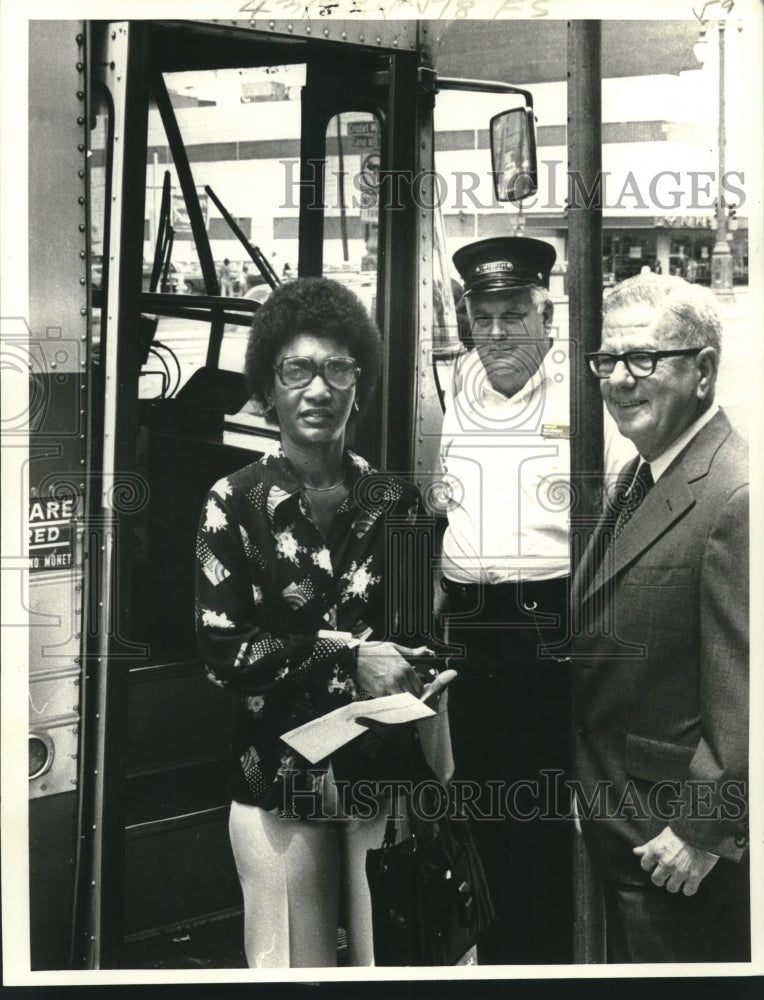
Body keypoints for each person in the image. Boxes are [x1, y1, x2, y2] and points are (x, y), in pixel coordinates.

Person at [195, 277, 446, 967]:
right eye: (297, 369)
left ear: (358, 385)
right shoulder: (231, 502)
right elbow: (224, 651)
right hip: (274, 780)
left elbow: (416, 640)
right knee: (290, 973)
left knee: (393, 967)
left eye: (338, 368)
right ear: (269, 388)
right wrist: (348, 661)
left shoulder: (400, 504)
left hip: (381, 779)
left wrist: (420, 670)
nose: (319, 388)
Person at [573, 273, 749, 962]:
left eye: (643, 359)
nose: (619, 379)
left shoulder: (735, 493)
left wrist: (703, 830)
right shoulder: (638, 474)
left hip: (676, 852)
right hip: (627, 826)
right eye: (607, 361)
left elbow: (749, 691)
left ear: (703, 369)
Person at [437, 236, 576, 964]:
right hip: (468, 623)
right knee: (477, 804)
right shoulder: (458, 384)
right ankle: (494, 955)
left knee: (541, 813)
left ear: (545, 318)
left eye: (513, 316)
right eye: (483, 317)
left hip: (546, 620)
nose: (496, 334)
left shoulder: (583, 395)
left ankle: (541, 961)